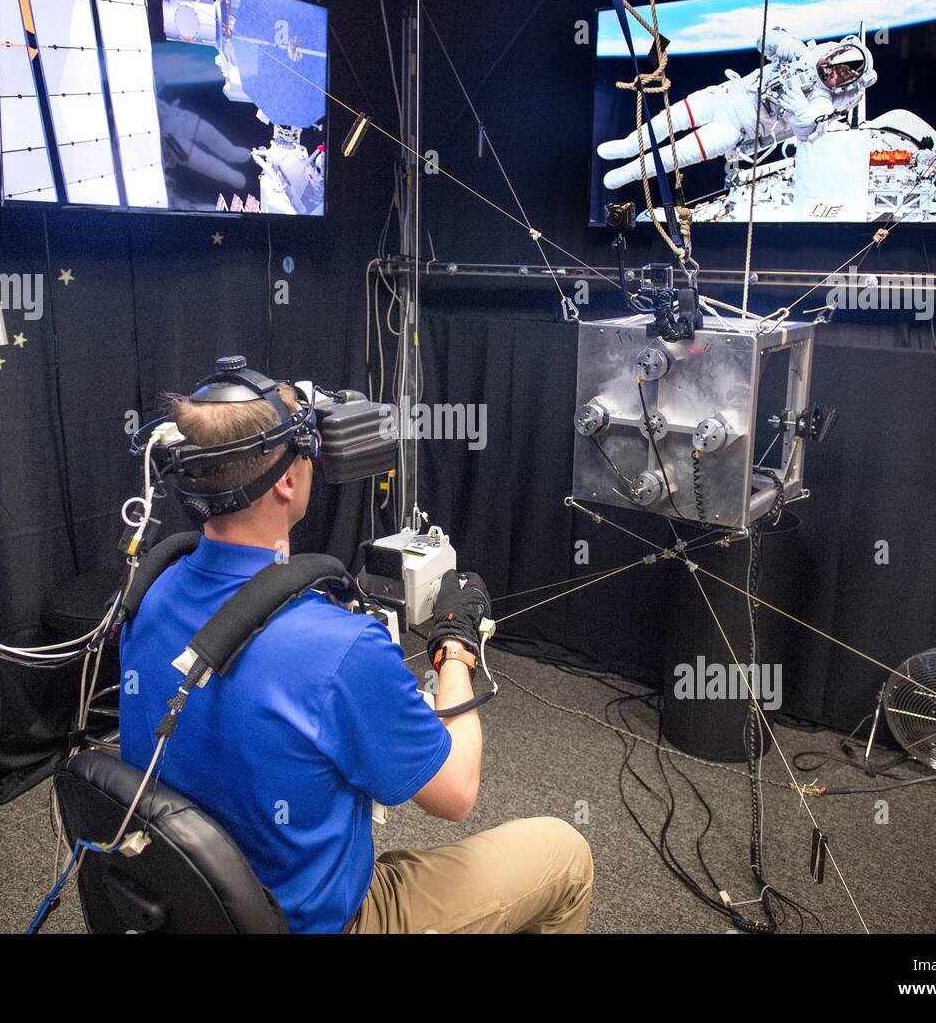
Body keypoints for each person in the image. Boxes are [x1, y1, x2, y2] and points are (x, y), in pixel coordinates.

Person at [118, 378, 593, 934]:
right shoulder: (340, 650)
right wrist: (455, 648)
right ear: (289, 481)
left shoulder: (147, 595)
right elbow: (457, 793)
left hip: (186, 906)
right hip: (317, 922)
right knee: (565, 854)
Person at [599, 25, 877, 188]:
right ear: (835, 52)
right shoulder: (801, 54)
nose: (836, 72)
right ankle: (626, 146)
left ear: (846, 85)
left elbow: (809, 132)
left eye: (844, 75)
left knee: (676, 156)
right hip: (725, 97)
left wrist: (801, 109)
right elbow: (764, 39)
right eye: (840, 64)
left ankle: (628, 174)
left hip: (735, 129)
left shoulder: (821, 101)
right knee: (665, 121)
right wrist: (782, 43)